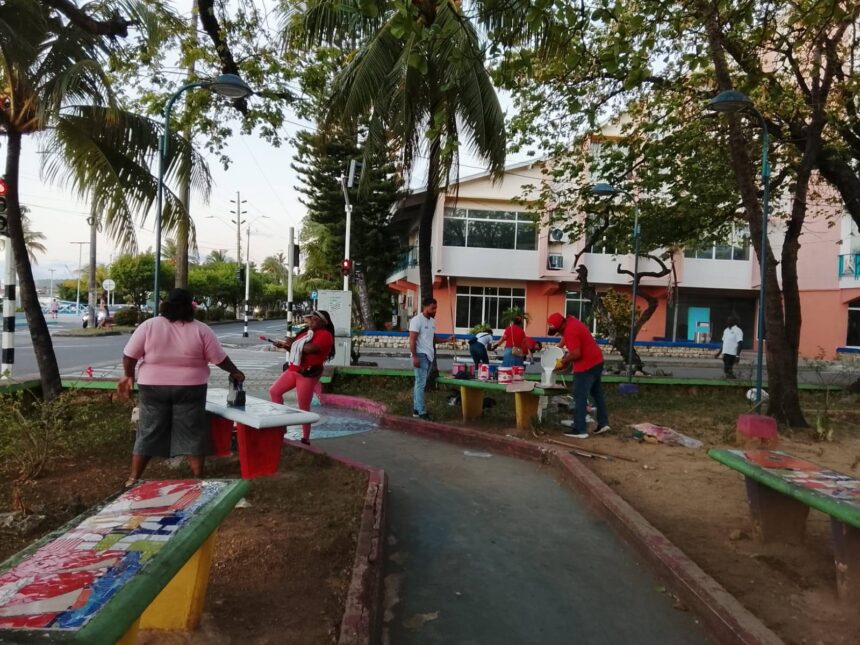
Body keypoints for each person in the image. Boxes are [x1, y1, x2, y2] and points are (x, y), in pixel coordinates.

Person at [117, 288, 245, 487]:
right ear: (190, 306)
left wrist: (128, 375)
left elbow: (129, 355)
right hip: (191, 388)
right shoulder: (201, 329)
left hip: (152, 387)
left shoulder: (149, 325)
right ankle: (197, 477)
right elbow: (219, 358)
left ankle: (133, 478)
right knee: (192, 431)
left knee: (149, 430)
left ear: (165, 305)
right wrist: (235, 372)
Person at [269, 310, 335, 445]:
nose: (311, 321)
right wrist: (285, 346)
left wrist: (293, 343)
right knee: (274, 391)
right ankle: (281, 425)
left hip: (307, 374)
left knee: (303, 406)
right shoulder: (306, 333)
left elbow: (312, 349)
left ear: (324, 322)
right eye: (310, 319)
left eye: (315, 319)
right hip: (294, 369)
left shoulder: (325, 335)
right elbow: (296, 350)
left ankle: (306, 438)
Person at [547, 312, 610, 439]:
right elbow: (565, 337)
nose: (558, 333)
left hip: (585, 366)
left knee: (579, 396)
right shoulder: (571, 321)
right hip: (597, 361)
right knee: (597, 393)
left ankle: (580, 429)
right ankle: (603, 423)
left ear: (561, 326)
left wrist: (562, 361)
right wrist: (557, 348)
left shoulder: (570, 331)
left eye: (557, 331)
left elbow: (576, 354)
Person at [409, 297, 441, 420]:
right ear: (425, 307)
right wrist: (415, 356)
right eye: (432, 308)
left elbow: (432, 338)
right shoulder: (416, 320)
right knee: (421, 384)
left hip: (429, 356)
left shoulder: (432, 322)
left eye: (436, 308)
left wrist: (447, 340)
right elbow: (412, 340)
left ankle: (416, 410)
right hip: (420, 355)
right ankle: (422, 412)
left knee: (419, 384)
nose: (435, 310)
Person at [716, 315, 744, 379]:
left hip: (732, 353)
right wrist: (719, 353)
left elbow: (740, 343)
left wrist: (737, 355)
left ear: (734, 322)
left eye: (729, 320)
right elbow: (723, 342)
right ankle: (730, 377)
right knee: (726, 369)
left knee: (728, 368)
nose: (727, 322)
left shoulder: (738, 330)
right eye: (727, 320)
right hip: (725, 353)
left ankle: (730, 378)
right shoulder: (726, 330)